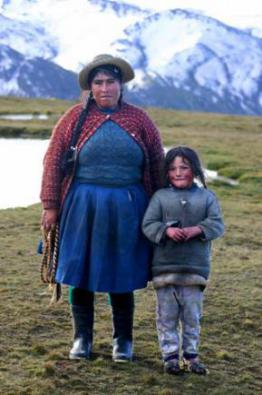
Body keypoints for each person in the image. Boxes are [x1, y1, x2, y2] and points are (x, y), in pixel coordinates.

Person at [40, 53, 164, 362]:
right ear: (90, 87)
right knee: (80, 271)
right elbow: (53, 161)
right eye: (98, 82)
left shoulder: (140, 119)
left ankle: (123, 341)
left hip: (128, 207)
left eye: (111, 82)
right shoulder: (74, 118)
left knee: (122, 271)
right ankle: (82, 338)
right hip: (82, 204)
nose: (104, 88)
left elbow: (157, 164)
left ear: (121, 85)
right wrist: (50, 205)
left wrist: (162, 206)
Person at [142, 146, 224, 375]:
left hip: (194, 271)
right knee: (166, 317)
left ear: (195, 170)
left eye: (184, 167)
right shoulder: (160, 197)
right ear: (166, 172)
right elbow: (148, 225)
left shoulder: (207, 197)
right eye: (173, 168)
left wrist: (198, 229)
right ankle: (170, 357)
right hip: (165, 272)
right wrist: (166, 231)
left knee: (192, 317)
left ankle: (191, 356)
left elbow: (217, 224)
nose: (178, 172)